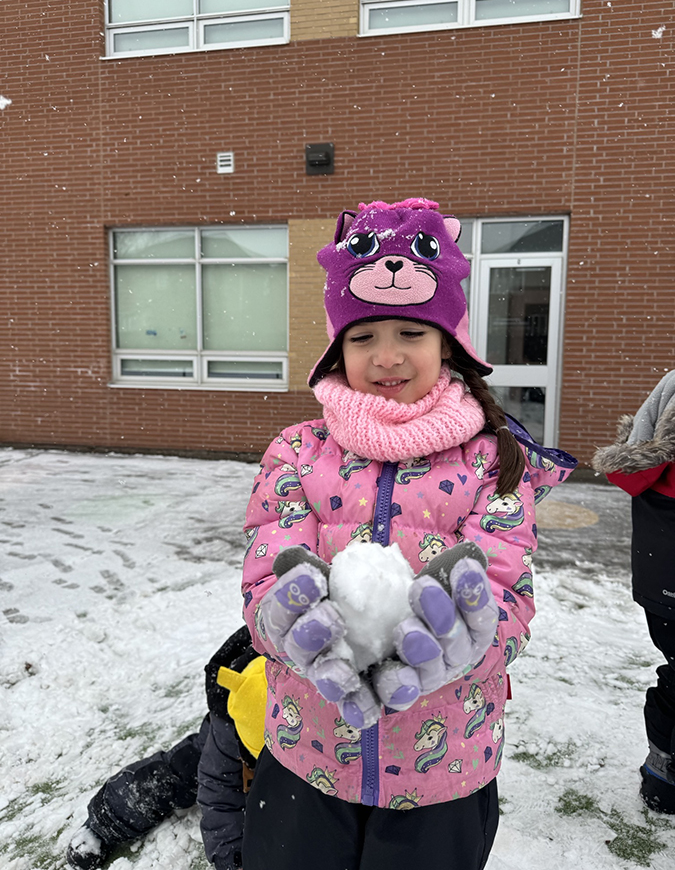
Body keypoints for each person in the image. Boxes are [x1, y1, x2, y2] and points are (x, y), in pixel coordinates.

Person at [240, 198, 577, 870]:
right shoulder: (296, 451)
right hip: (308, 755)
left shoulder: (492, 460)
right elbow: (264, 572)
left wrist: (470, 639)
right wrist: (280, 618)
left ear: (447, 343)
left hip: (443, 768)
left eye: (410, 334)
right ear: (337, 348)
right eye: (362, 337)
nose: (385, 356)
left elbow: (507, 595)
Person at [66, 626, 266, 870]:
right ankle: (108, 818)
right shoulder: (230, 721)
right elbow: (218, 790)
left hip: (303, 741)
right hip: (241, 718)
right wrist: (233, 860)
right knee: (181, 771)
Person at [593, 369, 675, 814]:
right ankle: (663, 774)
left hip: (658, 578)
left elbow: (639, 469)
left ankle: (662, 774)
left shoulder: (667, 391)